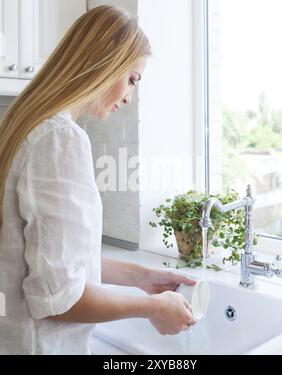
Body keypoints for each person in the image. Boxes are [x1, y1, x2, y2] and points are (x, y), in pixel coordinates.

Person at [0, 5, 197, 355]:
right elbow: (62, 300)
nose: (130, 95)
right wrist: (153, 308)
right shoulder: (60, 139)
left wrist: (142, 278)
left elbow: (54, 262)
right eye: (133, 79)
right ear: (106, 64)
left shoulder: (24, 126)